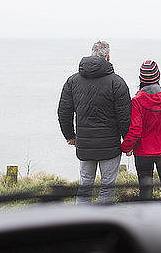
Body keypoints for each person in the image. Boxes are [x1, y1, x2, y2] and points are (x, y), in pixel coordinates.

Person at [57, 41, 131, 204]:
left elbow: (64, 111)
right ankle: (103, 224)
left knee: (85, 186)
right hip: (110, 146)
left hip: (85, 144)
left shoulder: (72, 81)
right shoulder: (117, 82)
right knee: (107, 187)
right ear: (108, 57)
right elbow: (124, 116)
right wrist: (128, 141)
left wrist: (69, 135)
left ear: (91, 54)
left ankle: (83, 224)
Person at [121, 60, 161, 201]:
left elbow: (136, 129)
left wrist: (126, 147)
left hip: (143, 154)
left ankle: (146, 221)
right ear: (158, 76)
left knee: (145, 191)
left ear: (141, 79)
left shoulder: (136, 101)